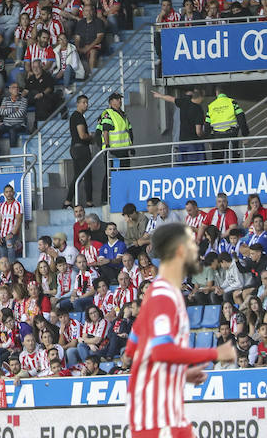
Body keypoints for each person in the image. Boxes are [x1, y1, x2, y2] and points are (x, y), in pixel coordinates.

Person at [126, 223, 235, 438]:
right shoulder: (163, 296)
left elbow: (133, 349)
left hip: (167, 409)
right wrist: (215, 352)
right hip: (155, 414)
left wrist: (180, 374)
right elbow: (160, 351)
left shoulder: (158, 292)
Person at [151, 88, 205, 165]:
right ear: (200, 97)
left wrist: (159, 96)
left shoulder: (184, 102)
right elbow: (198, 131)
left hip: (182, 142)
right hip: (194, 144)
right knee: (195, 166)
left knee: (183, 166)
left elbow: (171, 99)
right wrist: (205, 136)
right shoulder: (198, 109)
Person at [96, 93, 132, 205]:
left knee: (125, 174)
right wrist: (107, 146)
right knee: (110, 174)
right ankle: (105, 199)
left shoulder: (123, 114)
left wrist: (131, 146)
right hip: (113, 151)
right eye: (117, 99)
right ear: (111, 102)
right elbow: (105, 131)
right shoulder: (108, 114)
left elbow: (128, 131)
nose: (119, 101)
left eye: (120, 99)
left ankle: (123, 197)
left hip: (124, 150)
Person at [203, 86, 249, 162]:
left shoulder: (211, 106)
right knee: (233, 160)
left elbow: (207, 124)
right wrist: (245, 134)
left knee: (217, 162)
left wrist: (209, 139)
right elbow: (241, 118)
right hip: (232, 135)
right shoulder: (232, 102)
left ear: (216, 93)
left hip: (217, 137)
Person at [67, 95, 95, 207]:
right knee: (87, 175)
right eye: (83, 102)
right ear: (77, 104)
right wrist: (91, 137)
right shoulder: (78, 116)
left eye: (87, 102)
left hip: (75, 148)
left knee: (78, 176)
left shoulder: (75, 116)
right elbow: (82, 135)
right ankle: (89, 201)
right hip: (81, 149)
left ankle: (68, 201)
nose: (86, 105)